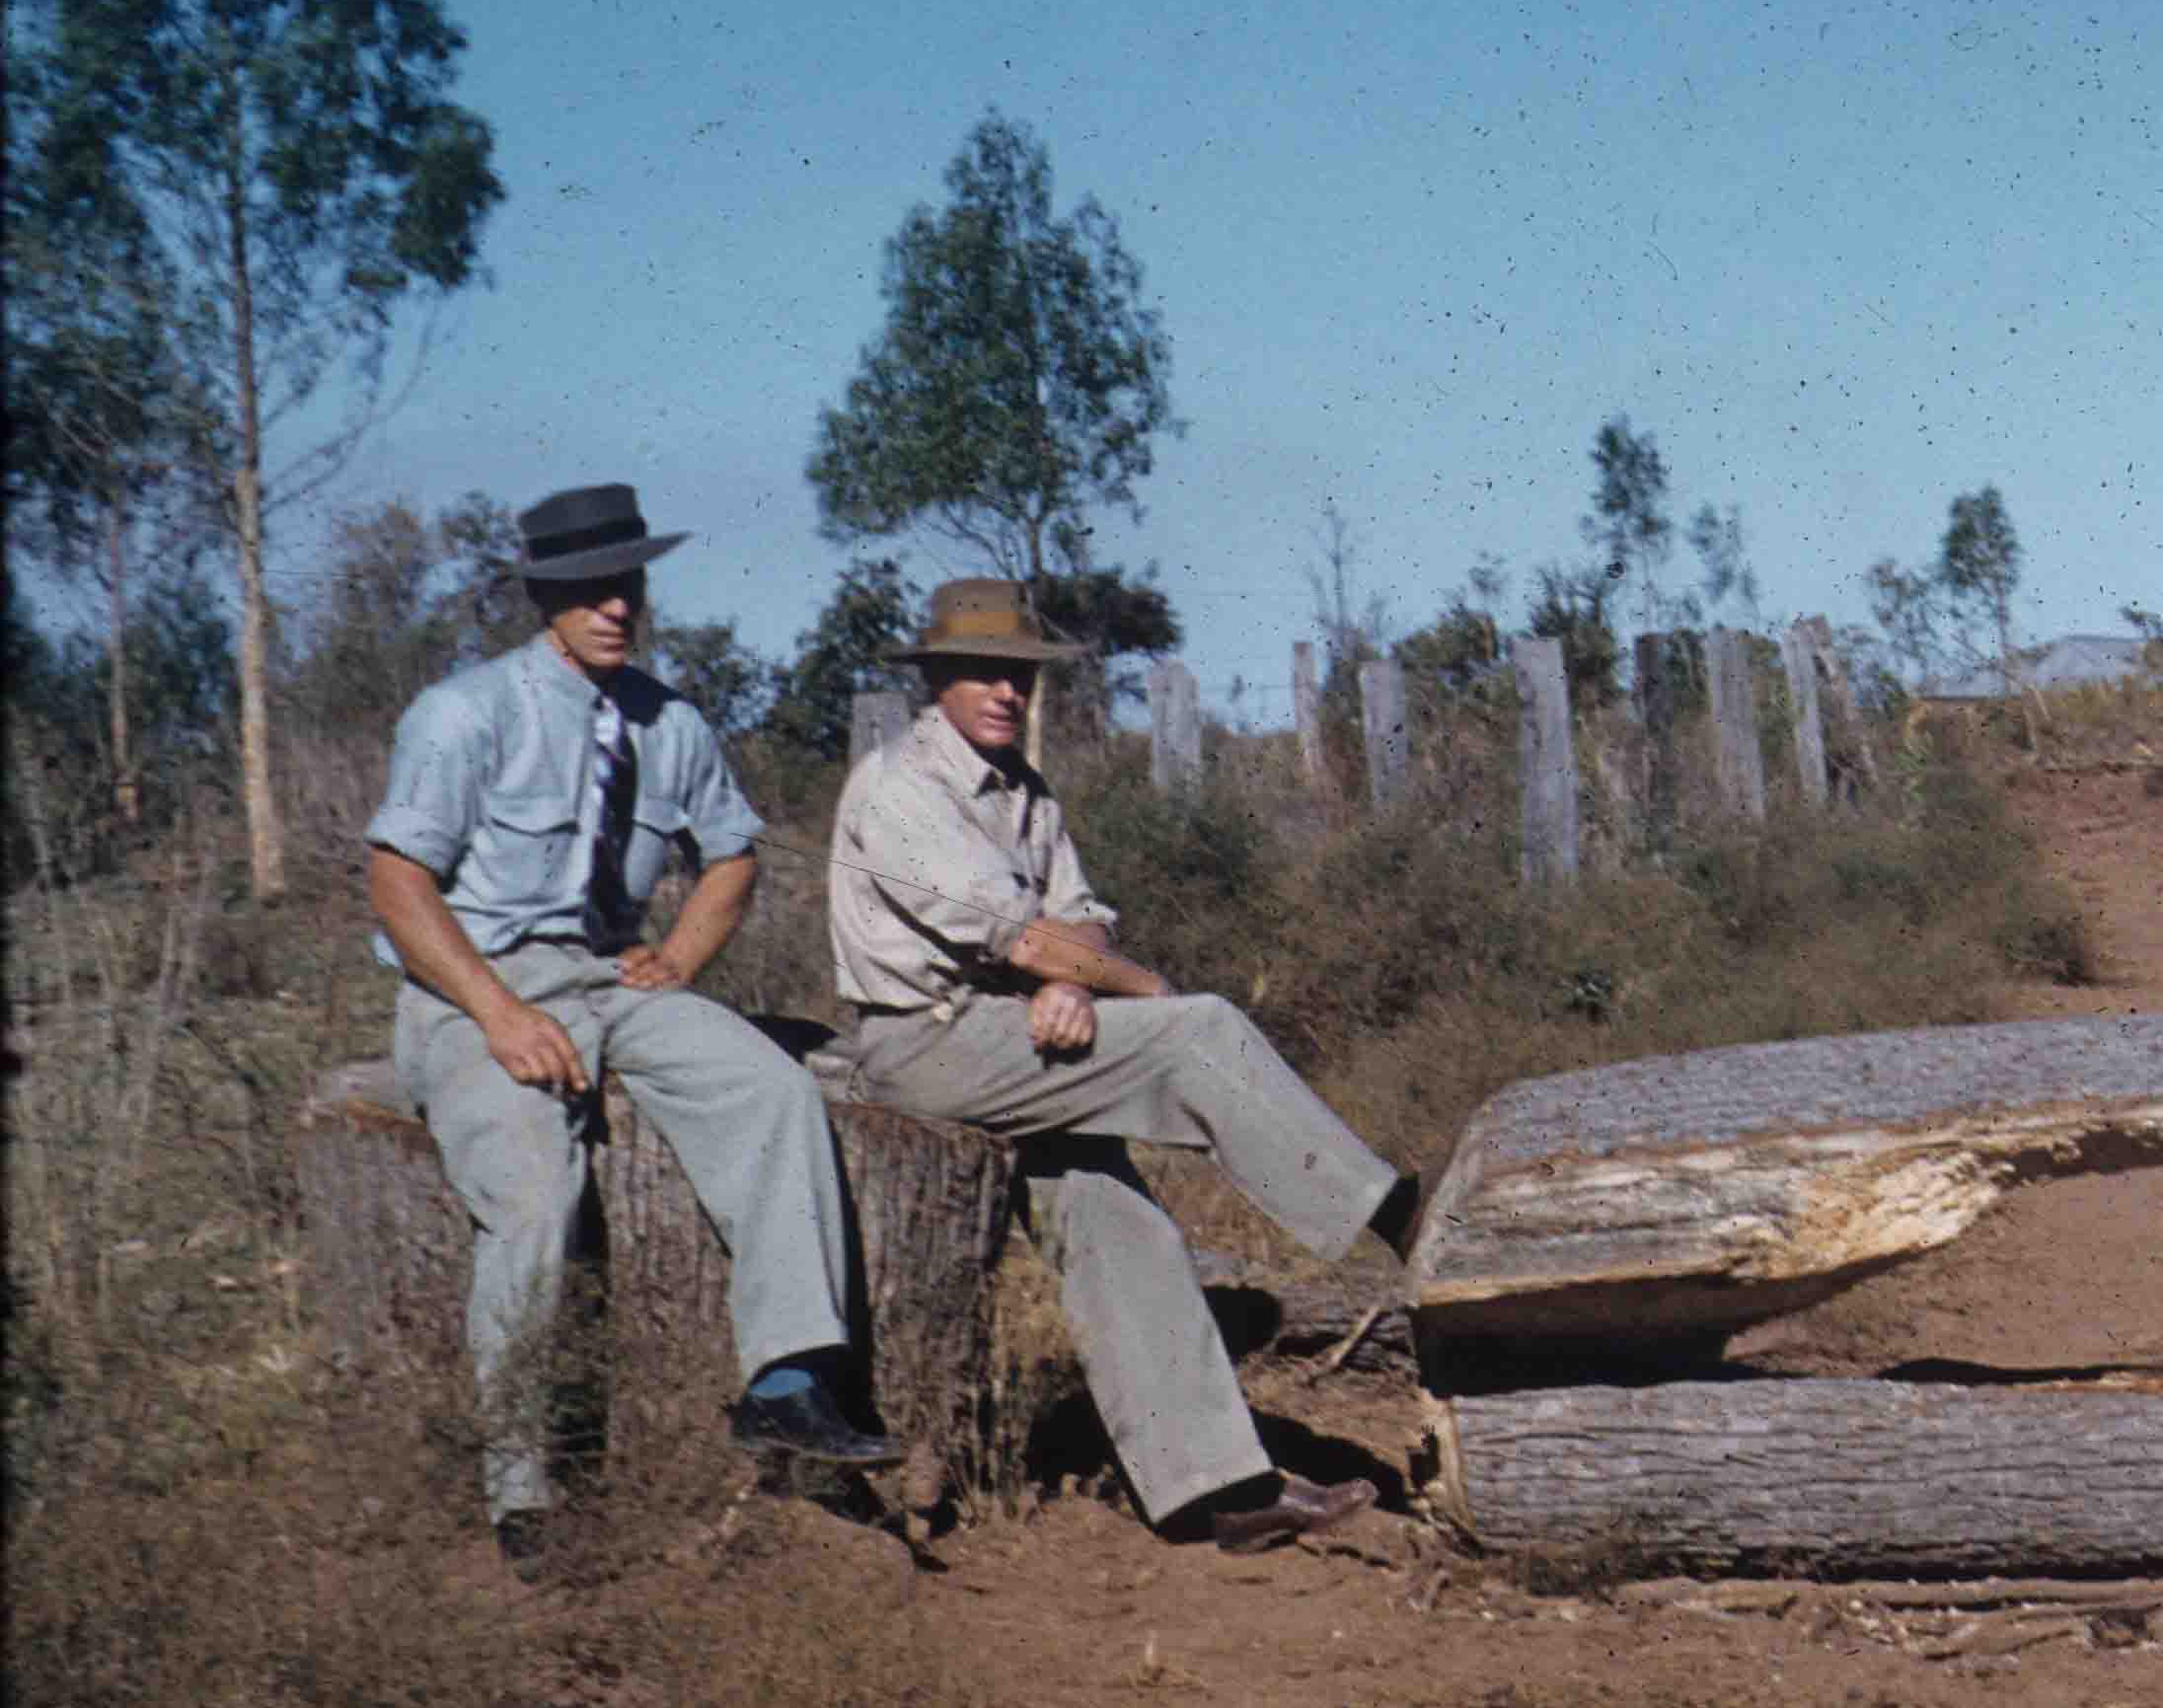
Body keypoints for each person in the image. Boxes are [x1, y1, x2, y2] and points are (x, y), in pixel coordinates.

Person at [828, 579, 1416, 1552]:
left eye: (1016, 673)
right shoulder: (900, 786)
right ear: (935, 680)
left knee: (1118, 1221)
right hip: (924, 1043)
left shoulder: (1024, 790)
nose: (1004, 691)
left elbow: (1078, 918)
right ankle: (1386, 1213)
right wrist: (1124, 982)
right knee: (1198, 1027)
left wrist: (1075, 980)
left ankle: (1211, 1492)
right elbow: (1027, 938)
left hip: (1009, 1033)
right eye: (980, 672)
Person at [364, 481, 895, 1555]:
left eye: (628, 585)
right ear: (543, 597)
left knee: (775, 1088)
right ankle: (526, 1490)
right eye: (588, 589)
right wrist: (500, 1014)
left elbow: (733, 852)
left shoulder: (671, 721)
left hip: (614, 979)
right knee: (532, 1185)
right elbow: (397, 882)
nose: (615, 607)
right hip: (477, 983)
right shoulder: (465, 713)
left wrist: (683, 951)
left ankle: (789, 1383)